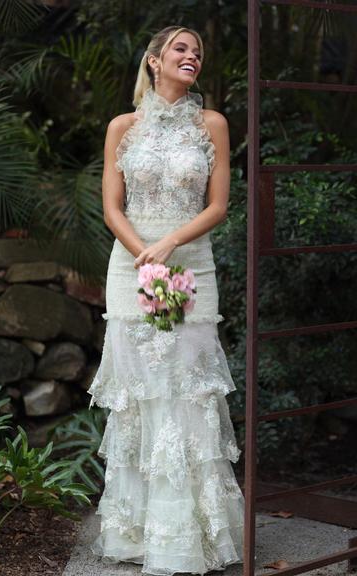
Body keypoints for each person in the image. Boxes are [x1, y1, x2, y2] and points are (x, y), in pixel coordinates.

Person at [87, 25, 245, 576]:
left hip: (187, 262)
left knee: (187, 385)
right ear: (154, 60)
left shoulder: (213, 125)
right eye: (181, 48)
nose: (192, 56)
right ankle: (136, 533)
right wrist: (146, 256)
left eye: (198, 51)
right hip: (135, 267)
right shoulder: (121, 127)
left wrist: (171, 245)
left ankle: (189, 535)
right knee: (142, 391)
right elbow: (112, 206)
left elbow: (219, 204)